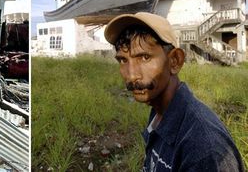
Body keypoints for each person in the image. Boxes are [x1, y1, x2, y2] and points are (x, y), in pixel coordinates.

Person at [104, 12, 244, 171]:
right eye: (123, 60)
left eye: (144, 57)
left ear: (174, 61)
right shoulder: (159, 111)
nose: (132, 75)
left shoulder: (205, 148)